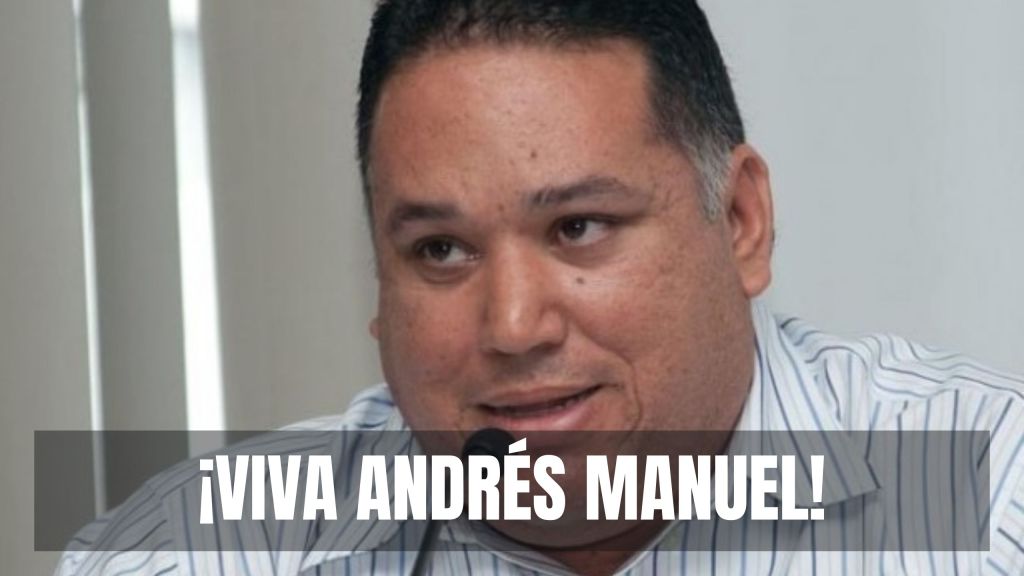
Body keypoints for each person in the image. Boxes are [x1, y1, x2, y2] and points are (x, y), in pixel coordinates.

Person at [58, 1, 1024, 574]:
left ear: (740, 222)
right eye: (441, 250)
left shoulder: (993, 505)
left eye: (579, 228)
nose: (514, 326)